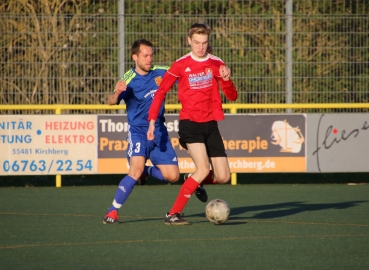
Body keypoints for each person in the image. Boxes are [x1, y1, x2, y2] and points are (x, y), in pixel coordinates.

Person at [147, 23, 238, 225]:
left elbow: (232, 97)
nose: (200, 47)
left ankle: (193, 179)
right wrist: (152, 120)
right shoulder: (180, 65)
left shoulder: (216, 63)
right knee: (204, 169)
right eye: (196, 42)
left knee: (223, 176)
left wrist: (227, 80)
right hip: (190, 124)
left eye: (204, 43)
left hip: (211, 124)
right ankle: (173, 214)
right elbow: (161, 92)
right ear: (189, 41)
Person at [103, 39, 180, 224]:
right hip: (138, 132)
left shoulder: (161, 72)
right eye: (145, 56)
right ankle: (112, 212)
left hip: (159, 130)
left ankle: (145, 170)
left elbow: (183, 72)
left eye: (151, 55)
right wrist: (116, 92)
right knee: (134, 172)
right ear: (135, 57)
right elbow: (110, 101)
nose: (149, 59)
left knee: (173, 176)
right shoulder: (128, 79)